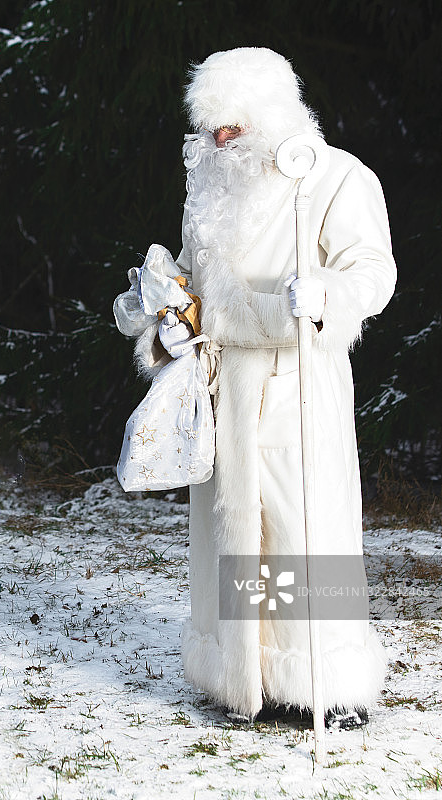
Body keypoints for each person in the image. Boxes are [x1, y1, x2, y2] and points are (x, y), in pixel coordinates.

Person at [115, 47, 396, 727]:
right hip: (224, 389)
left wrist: (321, 295)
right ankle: (247, 677)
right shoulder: (210, 189)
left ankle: (323, 679)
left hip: (295, 379)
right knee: (235, 533)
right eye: (210, 128)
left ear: (267, 113)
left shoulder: (335, 179)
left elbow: (371, 271)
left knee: (306, 528)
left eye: (231, 127)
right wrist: (161, 306)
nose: (218, 141)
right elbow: (191, 276)